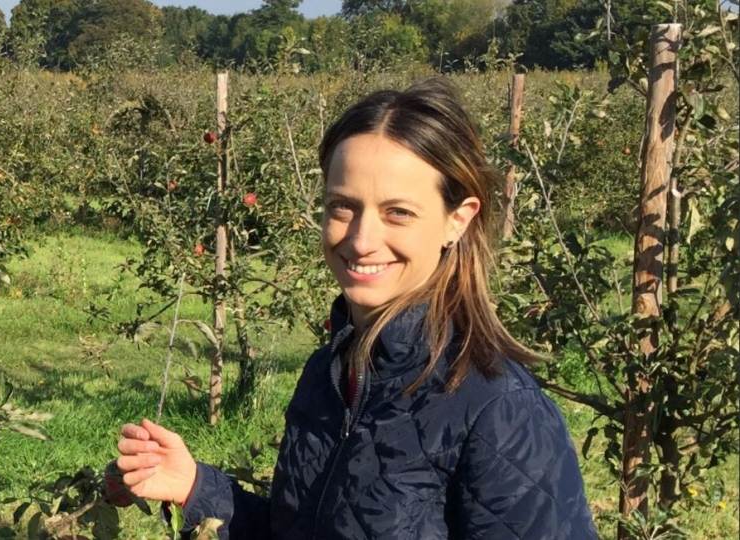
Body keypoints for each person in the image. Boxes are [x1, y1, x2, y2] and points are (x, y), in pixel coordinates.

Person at [112, 77, 599, 540]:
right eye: (342, 206)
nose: (362, 240)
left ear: (458, 220)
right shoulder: (328, 373)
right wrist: (196, 487)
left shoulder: (498, 408)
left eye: (399, 212)